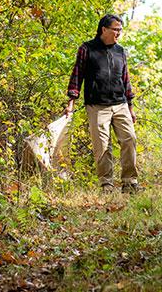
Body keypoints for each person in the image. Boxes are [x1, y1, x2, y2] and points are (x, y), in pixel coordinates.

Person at [65, 14, 141, 194]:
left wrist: (130, 108)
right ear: (104, 29)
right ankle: (106, 184)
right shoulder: (87, 49)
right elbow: (77, 75)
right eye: (115, 29)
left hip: (120, 103)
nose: (118, 33)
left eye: (120, 30)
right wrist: (71, 102)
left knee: (129, 139)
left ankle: (129, 182)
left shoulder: (120, 51)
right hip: (97, 106)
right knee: (102, 145)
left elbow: (126, 79)